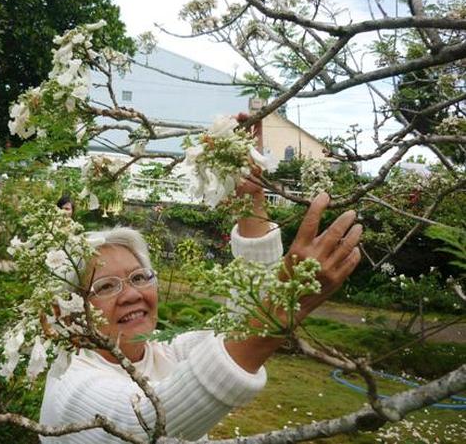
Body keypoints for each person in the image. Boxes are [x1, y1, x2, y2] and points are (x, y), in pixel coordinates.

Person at [39, 180, 362, 443]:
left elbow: (241, 322)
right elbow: (146, 421)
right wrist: (288, 297)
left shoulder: (165, 352)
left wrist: (250, 199)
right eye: (106, 286)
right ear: (68, 312)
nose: (133, 294)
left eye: (139, 277)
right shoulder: (73, 385)